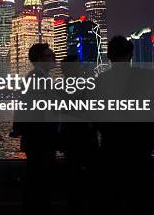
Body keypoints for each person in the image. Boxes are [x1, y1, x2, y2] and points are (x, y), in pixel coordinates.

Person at [93, 35, 154, 214]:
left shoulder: (100, 81)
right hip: (140, 145)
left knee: (111, 198)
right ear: (131, 54)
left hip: (111, 144)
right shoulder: (148, 76)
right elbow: (151, 108)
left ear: (109, 55)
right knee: (139, 198)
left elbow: (95, 115)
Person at [10, 43, 59, 215]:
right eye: (50, 56)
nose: (54, 58)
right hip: (41, 140)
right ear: (39, 60)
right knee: (40, 184)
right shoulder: (38, 79)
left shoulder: (38, 78)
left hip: (38, 139)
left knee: (37, 183)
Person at [60, 55, 98, 215]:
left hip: (71, 138)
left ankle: (76, 207)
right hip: (84, 136)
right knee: (89, 178)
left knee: (74, 178)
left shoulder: (60, 88)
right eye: (77, 66)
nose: (80, 68)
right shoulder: (87, 86)